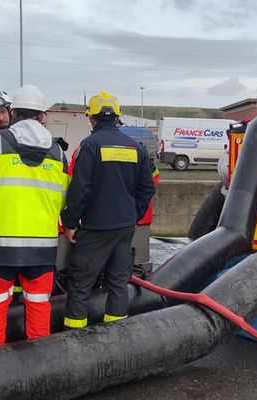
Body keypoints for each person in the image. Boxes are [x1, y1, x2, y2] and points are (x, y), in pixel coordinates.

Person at [0, 85, 69, 347]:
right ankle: (39, 359)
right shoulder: (58, 152)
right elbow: (64, 198)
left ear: (12, 112)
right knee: (38, 303)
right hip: (42, 248)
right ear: (42, 116)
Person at [61, 91, 155, 329]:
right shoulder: (136, 148)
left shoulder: (89, 146)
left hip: (95, 228)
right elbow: (147, 188)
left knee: (81, 284)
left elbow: (79, 190)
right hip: (124, 228)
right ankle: (116, 337)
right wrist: (133, 216)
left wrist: (70, 224)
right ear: (117, 117)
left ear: (91, 118)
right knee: (118, 283)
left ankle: (75, 340)